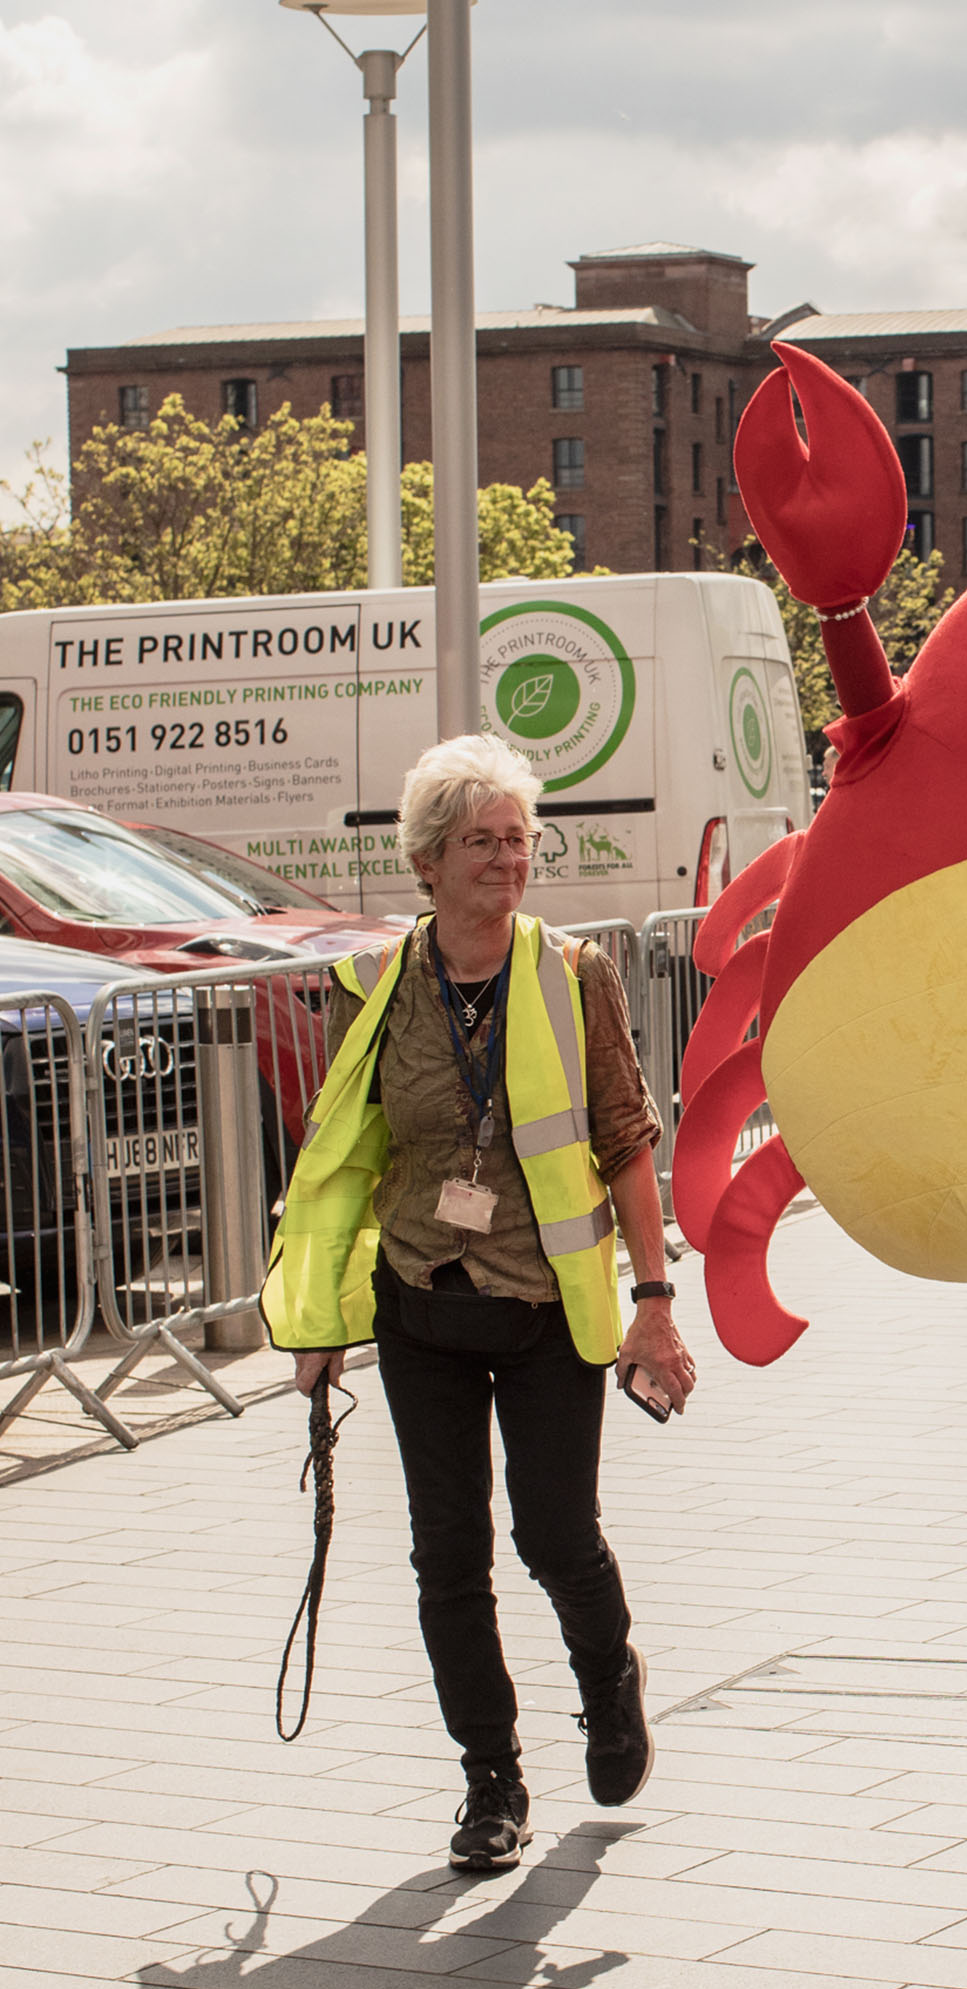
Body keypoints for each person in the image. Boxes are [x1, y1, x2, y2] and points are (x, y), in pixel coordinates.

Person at [263, 735, 697, 1873]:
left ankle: (609, 1679)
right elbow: (341, 1163)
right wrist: (316, 1330)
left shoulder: (572, 973)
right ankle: (491, 1779)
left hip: (547, 1307)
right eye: (482, 842)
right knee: (445, 1556)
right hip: (421, 1309)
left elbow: (625, 1143)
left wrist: (653, 1300)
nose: (508, 861)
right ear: (426, 861)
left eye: (519, 840)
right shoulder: (380, 987)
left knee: (556, 1535)